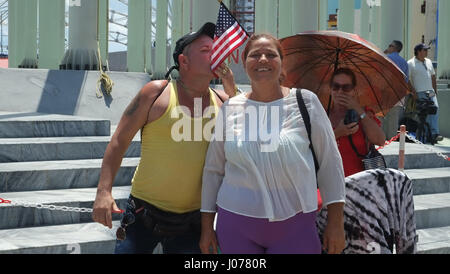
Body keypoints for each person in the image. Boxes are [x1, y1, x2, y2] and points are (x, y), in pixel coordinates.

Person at [92, 22, 237, 254]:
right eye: (206, 50)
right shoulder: (156, 93)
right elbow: (119, 142)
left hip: (195, 221)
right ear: (184, 61)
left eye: (216, 49)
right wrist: (103, 191)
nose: (215, 54)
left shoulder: (222, 101)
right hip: (143, 215)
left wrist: (232, 90)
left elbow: (250, 135)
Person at [199, 33, 346, 255]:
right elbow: (213, 170)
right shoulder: (230, 108)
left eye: (271, 54)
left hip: (296, 225)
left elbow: (330, 164)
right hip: (236, 223)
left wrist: (336, 223)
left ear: (281, 62)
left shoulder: (306, 102)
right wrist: (207, 227)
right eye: (255, 55)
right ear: (245, 62)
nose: (263, 59)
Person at [328, 68, 386, 177]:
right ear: (330, 89)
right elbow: (313, 147)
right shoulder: (322, 115)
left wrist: (358, 109)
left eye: (346, 88)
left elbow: (380, 140)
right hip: (330, 183)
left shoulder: (365, 113)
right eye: (336, 87)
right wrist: (338, 133)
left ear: (354, 91)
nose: (340, 91)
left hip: (359, 185)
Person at [407, 43, 443, 143]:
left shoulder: (428, 61)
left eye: (427, 50)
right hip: (420, 92)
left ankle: (434, 133)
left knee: (435, 109)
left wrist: (435, 91)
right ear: (418, 51)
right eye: (425, 50)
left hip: (430, 91)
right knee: (424, 114)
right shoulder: (410, 63)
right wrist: (413, 92)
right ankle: (429, 135)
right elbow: (407, 79)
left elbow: (433, 76)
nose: (427, 52)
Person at [382, 40, 409, 139]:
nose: (388, 47)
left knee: (381, 117)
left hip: (385, 92)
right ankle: (391, 142)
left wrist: (382, 54)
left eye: (390, 45)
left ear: (394, 48)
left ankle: (381, 141)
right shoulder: (404, 62)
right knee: (393, 120)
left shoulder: (386, 58)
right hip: (398, 94)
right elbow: (406, 80)